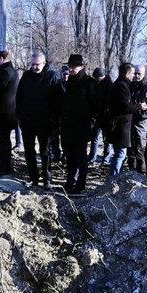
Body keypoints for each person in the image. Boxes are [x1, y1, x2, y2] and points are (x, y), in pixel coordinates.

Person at [16, 52, 63, 189]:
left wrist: (53, 117)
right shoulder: (26, 76)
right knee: (29, 151)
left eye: (37, 64)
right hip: (27, 121)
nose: (35, 67)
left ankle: (47, 179)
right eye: (32, 64)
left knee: (45, 151)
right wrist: (20, 115)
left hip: (45, 122)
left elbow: (59, 99)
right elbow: (19, 97)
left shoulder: (52, 76)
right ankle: (33, 178)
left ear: (44, 63)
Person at [60, 54, 100, 193]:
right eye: (69, 66)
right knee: (69, 156)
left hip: (81, 126)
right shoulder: (67, 82)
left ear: (81, 66)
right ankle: (70, 180)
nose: (70, 69)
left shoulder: (89, 83)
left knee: (80, 157)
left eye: (74, 66)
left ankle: (81, 183)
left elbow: (96, 106)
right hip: (67, 126)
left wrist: (91, 122)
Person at [107, 62, 147, 175]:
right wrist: (138, 107)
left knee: (121, 153)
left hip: (121, 125)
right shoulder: (121, 86)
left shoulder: (122, 84)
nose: (134, 76)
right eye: (133, 73)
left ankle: (115, 176)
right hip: (120, 125)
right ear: (127, 73)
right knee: (120, 154)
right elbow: (125, 106)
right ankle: (113, 178)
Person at [0, 50, 19, 176]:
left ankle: (4, 167)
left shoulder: (5, 72)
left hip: (3, 112)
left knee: (3, 140)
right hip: (9, 112)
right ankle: (4, 166)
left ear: (2, 58)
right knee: (5, 140)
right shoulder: (13, 71)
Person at [129, 64, 147, 174]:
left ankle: (142, 173)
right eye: (134, 73)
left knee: (139, 149)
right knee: (130, 149)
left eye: (139, 73)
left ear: (143, 74)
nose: (136, 76)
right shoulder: (131, 86)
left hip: (141, 123)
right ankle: (131, 171)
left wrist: (142, 115)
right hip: (130, 122)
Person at [88, 67, 111, 165]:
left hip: (105, 116)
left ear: (101, 76)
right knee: (95, 138)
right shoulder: (98, 85)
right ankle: (93, 157)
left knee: (106, 139)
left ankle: (105, 159)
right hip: (98, 116)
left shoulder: (109, 86)